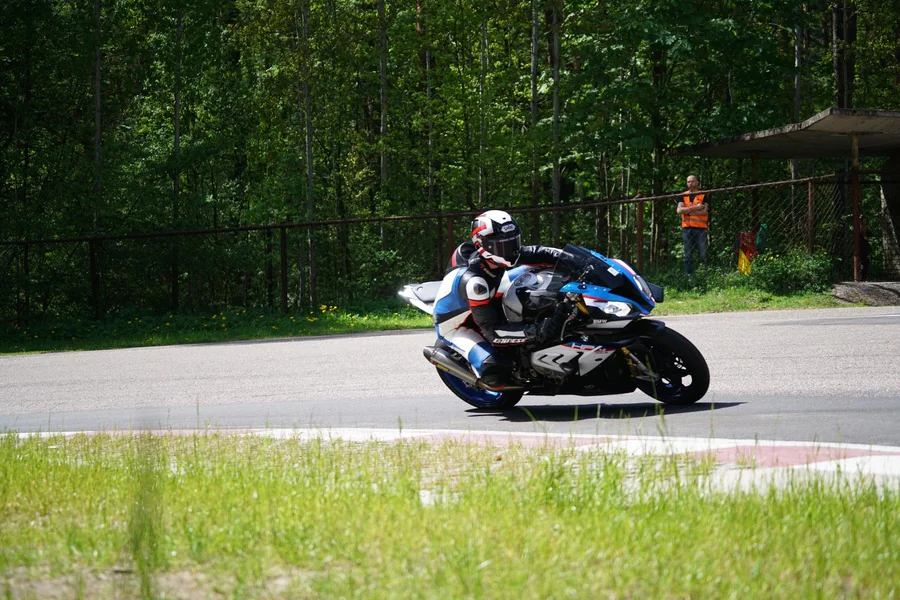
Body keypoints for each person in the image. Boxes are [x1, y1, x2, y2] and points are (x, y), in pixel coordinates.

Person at [432, 210, 576, 389]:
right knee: (495, 370)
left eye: (513, 243)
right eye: (503, 246)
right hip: (457, 324)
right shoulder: (475, 284)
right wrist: (537, 331)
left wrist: (575, 259)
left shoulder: (497, 257)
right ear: (484, 246)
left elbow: (539, 252)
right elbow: (492, 332)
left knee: (540, 275)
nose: (511, 251)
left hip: (489, 294)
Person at [677, 174, 708, 274]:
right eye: (688, 182)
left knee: (703, 253)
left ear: (697, 182)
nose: (690, 183)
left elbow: (704, 211)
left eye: (692, 181)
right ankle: (688, 275)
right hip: (687, 228)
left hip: (700, 228)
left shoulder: (703, 194)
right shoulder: (683, 195)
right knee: (688, 254)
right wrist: (695, 208)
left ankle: (704, 273)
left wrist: (687, 211)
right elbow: (679, 210)